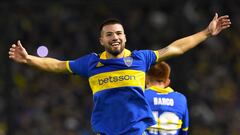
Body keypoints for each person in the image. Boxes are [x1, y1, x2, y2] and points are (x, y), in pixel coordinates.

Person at [8, 13, 230, 135]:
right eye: (109, 34)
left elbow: (176, 48)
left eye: (119, 33)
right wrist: (29, 59)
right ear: (101, 40)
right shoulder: (91, 63)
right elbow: (57, 65)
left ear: (125, 37)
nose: (115, 37)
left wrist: (206, 33)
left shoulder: (140, 58)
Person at [145, 61, 189, 135]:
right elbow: (184, 131)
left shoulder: (141, 96)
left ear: (146, 79)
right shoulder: (181, 99)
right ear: (167, 82)